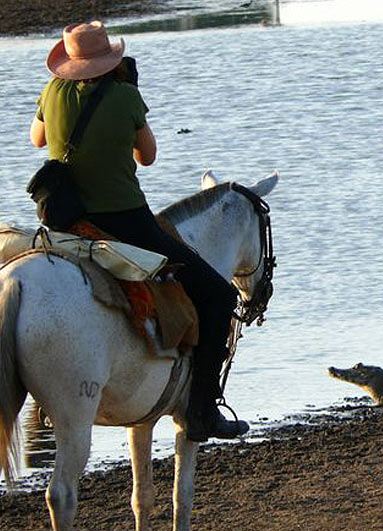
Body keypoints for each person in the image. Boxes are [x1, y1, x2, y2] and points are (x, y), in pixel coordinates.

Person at [30, 21, 248, 442]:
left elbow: (37, 139)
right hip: (125, 220)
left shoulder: (51, 92)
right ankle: (202, 410)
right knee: (219, 296)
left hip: (64, 219)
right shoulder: (126, 96)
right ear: (111, 62)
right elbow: (147, 157)